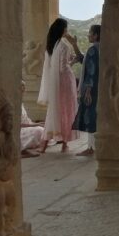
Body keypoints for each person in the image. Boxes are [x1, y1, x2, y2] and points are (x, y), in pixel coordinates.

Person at [38, 17, 79, 152]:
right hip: (65, 82)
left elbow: (52, 66)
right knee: (67, 110)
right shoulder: (64, 46)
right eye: (66, 28)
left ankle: (44, 145)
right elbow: (63, 68)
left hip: (54, 83)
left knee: (53, 110)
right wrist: (73, 62)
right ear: (63, 30)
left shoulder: (51, 46)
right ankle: (64, 144)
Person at [73, 24, 100, 156]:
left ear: (96, 35)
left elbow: (91, 70)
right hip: (98, 87)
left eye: (90, 33)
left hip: (91, 88)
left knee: (90, 116)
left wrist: (88, 89)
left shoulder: (92, 50)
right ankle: (93, 146)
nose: (88, 35)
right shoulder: (101, 49)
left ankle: (91, 148)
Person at [20, 81, 44, 158]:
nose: (24, 90)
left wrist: (36, 123)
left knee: (44, 128)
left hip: (27, 127)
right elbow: (18, 124)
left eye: (24, 88)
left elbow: (26, 119)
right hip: (20, 130)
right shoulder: (14, 102)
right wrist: (36, 124)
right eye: (22, 88)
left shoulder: (21, 102)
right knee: (39, 130)